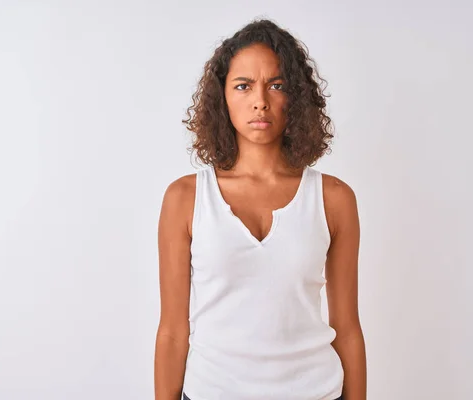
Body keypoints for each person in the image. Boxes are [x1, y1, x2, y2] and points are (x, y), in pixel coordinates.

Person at [155, 18, 366, 400]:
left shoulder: (334, 199)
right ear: (223, 96)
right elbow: (172, 330)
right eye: (243, 85)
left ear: (296, 96)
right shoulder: (185, 198)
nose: (260, 100)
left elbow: (348, 327)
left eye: (277, 85)